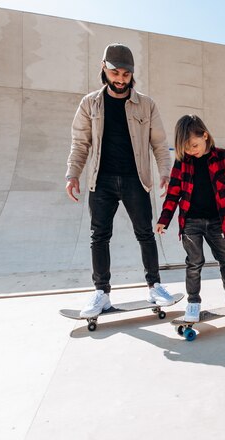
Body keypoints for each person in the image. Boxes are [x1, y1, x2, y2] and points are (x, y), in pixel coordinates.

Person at [66, 43, 175, 318]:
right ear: (104, 69)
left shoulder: (146, 105)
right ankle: (101, 293)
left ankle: (155, 286)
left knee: (145, 233)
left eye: (126, 75)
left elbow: (160, 144)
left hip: (135, 179)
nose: (120, 80)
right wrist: (72, 174)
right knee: (99, 236)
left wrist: (165, 172)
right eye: (115, 73)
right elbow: (80, 143)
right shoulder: (90, 103)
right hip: (100, 181)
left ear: (132, 75)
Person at [156, 115, 225, 322]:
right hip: (191, 223)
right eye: (187, 148)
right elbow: (173, 193)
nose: (192, 151)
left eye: (194, 145)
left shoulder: (223, 157)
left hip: (218, 220)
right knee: (194, 262)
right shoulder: (182, 162)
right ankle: (193, 303)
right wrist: (164, 219)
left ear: (205, 136)